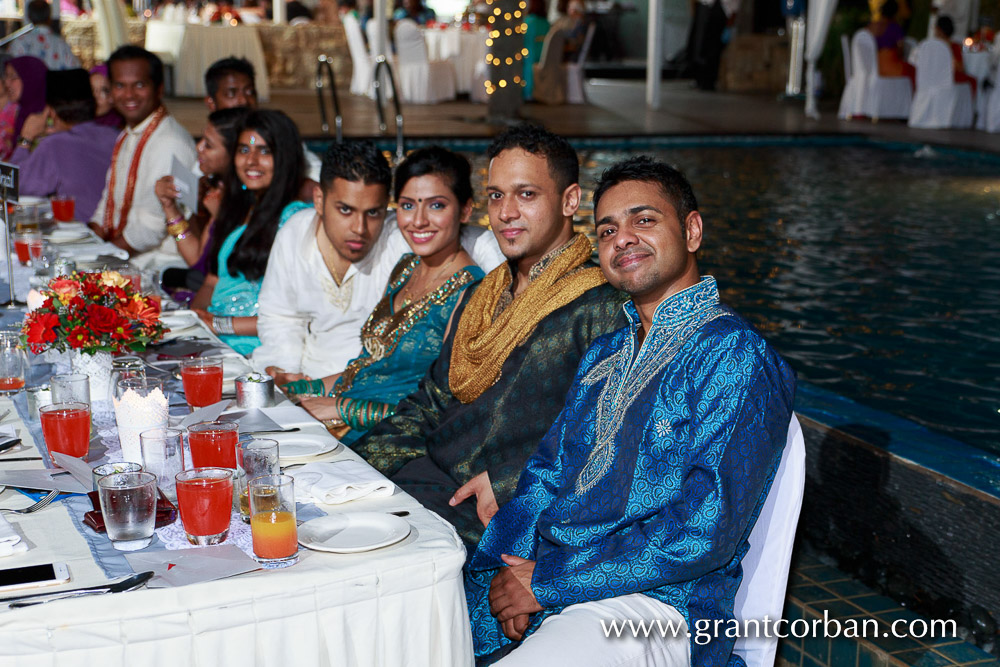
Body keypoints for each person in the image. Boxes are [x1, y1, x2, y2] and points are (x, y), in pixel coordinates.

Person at [464, 156, 797, 666]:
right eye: (607, 229)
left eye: (644, 220)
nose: (622, 239)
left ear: (691, 230)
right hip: (555, 580)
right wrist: (505, 574)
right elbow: (543, 479)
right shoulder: (605, 354)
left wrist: (550, 581)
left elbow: (703, 529)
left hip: (658, 605)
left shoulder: (733, 355)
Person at [354, 124, 627, 546]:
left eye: (527, 194)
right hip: (431, 481)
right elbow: (430, 402)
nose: (505, 213)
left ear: (570, 200)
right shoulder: (482, 297)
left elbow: (607, 432)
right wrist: (368, 460)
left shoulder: (601, 308)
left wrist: (507, 477)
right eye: (497, 195)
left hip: (495, 510)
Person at [286, 148, 488, 445]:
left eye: (436, 206)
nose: (418, 221)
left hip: (393, 444)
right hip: (340, 422)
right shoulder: (405, 268)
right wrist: (303, 389)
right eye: (408, 205)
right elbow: (367, 367)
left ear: (466, 210)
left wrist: (340, 409)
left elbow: (443, 413)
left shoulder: (471, 293)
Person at [254, 141, 502, 382]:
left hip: (372, 391)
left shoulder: (401, 237)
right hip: (310, 380)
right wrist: (285, 372)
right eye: (345, 210)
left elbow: (465, 238)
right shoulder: (296, 232)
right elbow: (281, 317)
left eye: (373, 212)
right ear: (319, 199)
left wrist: (514, 283)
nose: (359, 229)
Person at [191, 109, 307, 355]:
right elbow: (212, 281)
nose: (251, 161)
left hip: (255, 351)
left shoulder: (295, 220)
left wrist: (218, 324)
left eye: (264, 151)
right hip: (216, 341)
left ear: (285, 158)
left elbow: (296, 316)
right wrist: (194, 320)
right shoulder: (238, 207)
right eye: (244, 150)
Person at [89, 46, 197, 269]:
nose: (129, 95)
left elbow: (150, 230)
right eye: (120, 86)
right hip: (130, 257)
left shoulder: (169, 142)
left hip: (158, 266)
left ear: (159, 89)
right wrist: (87, 243)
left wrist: (99, 260)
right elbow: (107, 203)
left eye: (139, 85)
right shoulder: (129, 134)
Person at [155, 107, 248, 299]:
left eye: (209, 145)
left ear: (234, 154)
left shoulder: (250, 200)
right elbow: (196, 259)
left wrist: (222, 219)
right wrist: (169, 207)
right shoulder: (216, 191)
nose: (199, 148)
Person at [9, 68, 119, 221]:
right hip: (114, 230)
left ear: (51, 111)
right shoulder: (115, 136)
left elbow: (14, 186)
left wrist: (25, 139)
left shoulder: (54, 145)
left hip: (82, 231)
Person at [202, 57, 322, 187]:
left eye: (250, 92)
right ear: (211, 102)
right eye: (232, 94)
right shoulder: (207, 162)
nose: (243, 101)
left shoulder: (273, 136)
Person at [7, 0, 81, 70]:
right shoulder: (61, 43)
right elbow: (75, 70)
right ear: (49, 17)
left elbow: (10, 71)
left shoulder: (19, 42)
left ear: (29, 16)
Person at [1, 56, 46, 160]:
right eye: (6, 76)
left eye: (13, 77)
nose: (7, 83)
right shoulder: (21, 113)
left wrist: (26, 138)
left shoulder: (46, 117)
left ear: (31, 78)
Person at [870, 0, 915, 87]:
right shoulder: (895, 28)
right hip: (890, 68)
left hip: (872, 67)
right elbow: (900, 51)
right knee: (913, 71)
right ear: (895, 13)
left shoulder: (871, 26)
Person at [935, 16, 976, 94]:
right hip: (947, 79)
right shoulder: (952, 46)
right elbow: (960, 68)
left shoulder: (930, 46)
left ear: (938, 29)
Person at [522, 0, 549, 100]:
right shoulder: (546, 23)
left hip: (531, 57)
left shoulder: (528, 22)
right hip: (546, 57)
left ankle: (527, 92)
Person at [89, 64, 125, 130]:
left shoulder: (124, 130)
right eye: (91, 90)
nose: (95, 96)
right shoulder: (74, 126)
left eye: (105, 91)